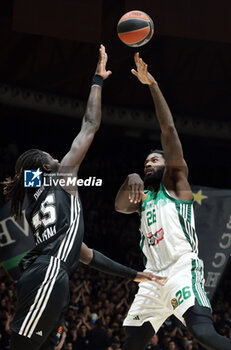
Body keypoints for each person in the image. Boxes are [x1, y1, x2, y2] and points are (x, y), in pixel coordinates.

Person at [3, 46, 160, 350]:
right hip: (49, 273)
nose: (58, 157)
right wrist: (97, 80)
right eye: (52, 157)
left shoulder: (37, 199)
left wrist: (134, 274)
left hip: (47, 275)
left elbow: (88, 255)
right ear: (48, 165)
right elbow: (89, 125)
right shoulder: (59, 177)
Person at [115, 53, 231, 350]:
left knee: (203, 335)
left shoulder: (177, 183)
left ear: (169, 164)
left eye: (155, 160)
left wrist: (152, 84)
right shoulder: (143, 196)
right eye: (145, 162)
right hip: (153, 277)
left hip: (181, 269)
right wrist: (131, 176)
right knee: (133, 341)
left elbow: (168, 131)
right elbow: (119, 206)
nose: (148, 164)